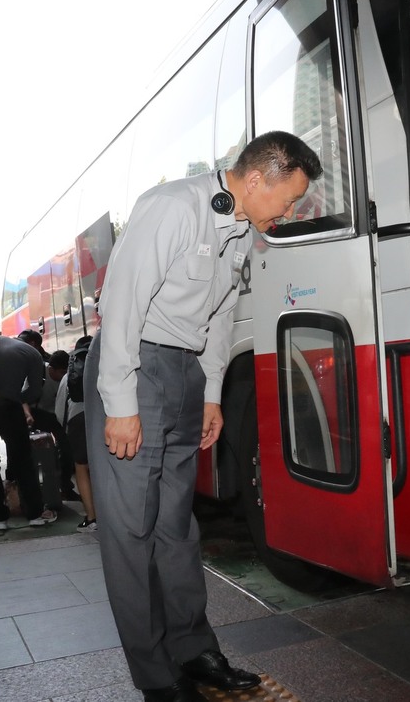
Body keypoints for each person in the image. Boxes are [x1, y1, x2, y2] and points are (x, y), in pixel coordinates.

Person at [85, 130, 323, 702]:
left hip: (185, 374)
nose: (289, 212)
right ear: (258, 177)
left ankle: (194, 652)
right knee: (131, 533)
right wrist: (119, 403)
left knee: (176, 527)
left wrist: (211, 393)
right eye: (288, 199)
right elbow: (122, 303)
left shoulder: (241, 230)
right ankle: (156, 677)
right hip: (136, 367)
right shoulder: (172, 208)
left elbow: (220, 316)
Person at [0, 333, 57, 529]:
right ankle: (35, 514)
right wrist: (17, 399)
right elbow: (35, 390)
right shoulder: (31, 353)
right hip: (9, 407)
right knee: (23, 461)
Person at [55, 336, 97, 532]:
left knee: (81, 468)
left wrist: (62, 434)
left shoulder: (68, 376)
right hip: (107, 417)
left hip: (78, 420)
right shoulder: (104, 365)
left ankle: (91, 518)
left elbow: (59, 411)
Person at [27, 349, 79, 500]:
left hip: (55, 415)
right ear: (51, 369)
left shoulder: (69, 377)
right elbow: (22, 397)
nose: (64, 376)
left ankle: (65, 487)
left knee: (66, 448)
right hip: (33, 413)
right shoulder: (37, 372)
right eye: (61, 372)